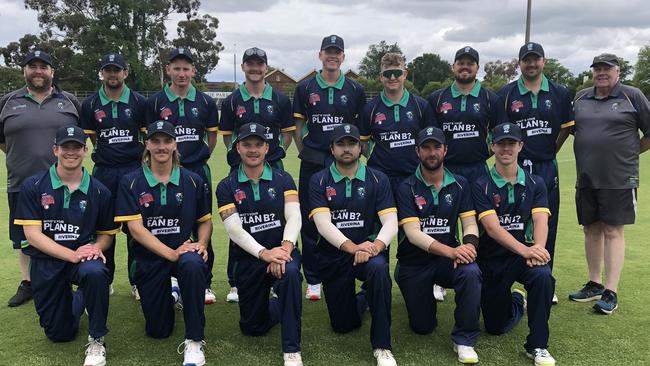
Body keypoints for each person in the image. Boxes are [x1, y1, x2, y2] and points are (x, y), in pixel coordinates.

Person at [14, 125, 118, 366]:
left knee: (95, 272)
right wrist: (72, 254)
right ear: (55, 150)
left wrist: (95, 248)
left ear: (85, 150)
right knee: (59, 335)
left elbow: (106, 235)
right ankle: (81, 297)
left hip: (82, 261)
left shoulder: (100, 191)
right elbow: (32, 235)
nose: (71, 152)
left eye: (76, 147)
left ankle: (97, 339)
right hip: (47, 261)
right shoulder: (34, 186)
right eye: (65, 147)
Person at [115, 120, 212, 366]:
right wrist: (171, 254)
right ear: (146, 144)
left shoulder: (192, 180)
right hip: (150, 258)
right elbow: (136, 230)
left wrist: (201, 243)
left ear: (174, 144)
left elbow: (204, 221)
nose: (161, 146)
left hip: (184, 254)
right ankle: (172, 294)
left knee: (192, 263)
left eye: (167, 141)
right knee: (158, 331)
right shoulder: (131, 181)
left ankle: (194, 340)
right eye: (155, 141)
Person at [309, 124, 398, 366]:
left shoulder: (378, 178)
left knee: (380, 272)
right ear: (332, 148)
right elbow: (322, 224)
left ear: (361, 147)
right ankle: (366, 299)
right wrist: (353, 248)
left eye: (351, 144)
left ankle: (382, 346)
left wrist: (375, 247)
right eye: (341, 144)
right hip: (335, 255)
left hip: (370, 253)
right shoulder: (319, 179)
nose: (346, 149)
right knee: (343, 326)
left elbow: (390, 222)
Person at [569, 53, 650, 314]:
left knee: (613, 230)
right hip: (587, 177)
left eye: (607, 68)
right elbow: (572, 130)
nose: (601, 73)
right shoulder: (581, 97)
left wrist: (630, 152)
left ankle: (611, 291)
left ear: (618, 71)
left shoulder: (632, 95)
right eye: (597, 69)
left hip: (619, 178)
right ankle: (595, 282)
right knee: (591, 228)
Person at [216, 122, 303, 366]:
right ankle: (277, 303)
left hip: (283, 254)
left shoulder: (283, 179)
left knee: (291, 274)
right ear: (238, 148)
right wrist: (265, 254)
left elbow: (294, 216)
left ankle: (292, 349)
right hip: (250, 259)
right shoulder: (226, 186)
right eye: (247, 145)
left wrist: (285, 249)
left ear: (267, 148)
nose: (252, 150)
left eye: (258, 145)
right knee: (252, 327)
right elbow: (234, 230)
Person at [0, 50, 81, 307]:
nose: (38, 71)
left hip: (62, 183)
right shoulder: (7, 101)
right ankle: (28, 283)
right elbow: (2, 141)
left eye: (43, 67)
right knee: (23, 236)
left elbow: (81, 137)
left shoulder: (69, 101)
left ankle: (63, 278)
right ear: (24, 71)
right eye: (32, 66)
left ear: (52, 72)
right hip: (21, 182)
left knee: (61, 232)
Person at [395, 126, 481, 364]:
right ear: (417, 151)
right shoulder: (406, 187)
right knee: (423, 327)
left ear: (445, 150)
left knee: (471, 271)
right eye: (426, 148)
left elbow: (470, 224)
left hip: (447, 260)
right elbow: (413, 234)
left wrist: (469, 247)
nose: (431, 153)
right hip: (414, 262)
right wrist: (453, 251)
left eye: (436, 147)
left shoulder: (461, 184)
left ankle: (464, 339)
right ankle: (418, 292)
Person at [472, 122, 556, 366]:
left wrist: (537, 250)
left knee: (543, 276)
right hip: (492, 258)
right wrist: (526, 250)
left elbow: (541, 220)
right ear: (492, 146)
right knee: (495, 328)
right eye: (501, 143)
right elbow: (492, 228)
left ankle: (538, 345)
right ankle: (517, 301)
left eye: (511, 143)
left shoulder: (535, 183)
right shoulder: (481, 184)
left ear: (521, 146)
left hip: (523, 257)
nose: (506, 148)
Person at [428, 46, 506, 302]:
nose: (465, 67)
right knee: (442, 221)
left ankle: (476, 273)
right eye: (460, 62)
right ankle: (440, 277)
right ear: (453, 67)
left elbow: (500, 134)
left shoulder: (489, 98)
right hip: (445, 170)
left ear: (477, 68)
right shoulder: (438, 98)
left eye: (470, 63)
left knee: (480, 223)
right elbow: (431, 137)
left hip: (476, 170)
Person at [497, 42, 573, 304]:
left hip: (545, 166)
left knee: (545, 224)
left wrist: (551, 150)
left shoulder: (559, 92)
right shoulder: (507, 93)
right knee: (510, 222)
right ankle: (505, 279)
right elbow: (499, 134)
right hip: (514, 169)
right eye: (526, 60)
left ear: (544, 61)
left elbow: (565, 127)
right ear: (519, 63)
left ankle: (543, 279)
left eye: (535, 59)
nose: (531, 64)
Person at [219, 47, 295, 303]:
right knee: (241, 222)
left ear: (265, 67)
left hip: (273, 167)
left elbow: (287, 131)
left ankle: (278, 275)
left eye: (259, 64)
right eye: (249, 64)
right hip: (241, 168)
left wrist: (279, 150)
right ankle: (236, 282)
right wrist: (236, 152)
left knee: (277, 220)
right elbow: (227, 134)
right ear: (243, 67)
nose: (254, 68)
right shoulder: (232, 100)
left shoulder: (281, 99)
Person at [293, 35, 366, 301]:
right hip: (314, 161)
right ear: (320, 55)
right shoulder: (305, 88)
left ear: (343, 57)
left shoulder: (355, 90)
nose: (333, 56)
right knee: (311, 220)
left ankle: (350, 270)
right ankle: (313, 279)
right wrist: (307, 153)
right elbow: (299, 130)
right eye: (328, 52)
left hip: (345, 160)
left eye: (337, 52)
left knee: (348, 216)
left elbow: (361, 129)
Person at [145, 47, 219, 304]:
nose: (181, 73)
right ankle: (164, 280)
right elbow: (148, 139)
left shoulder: (206, 102)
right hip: (163, 172)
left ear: (193, 71)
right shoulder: (154, 101)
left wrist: (198, 158)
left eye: (186, 68)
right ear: (168, 70)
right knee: (163, 221)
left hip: (196, 170)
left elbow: (211, 138)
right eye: (176, 68)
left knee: (202, 221)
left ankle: (204, 282)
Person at [80, 52, 147, 298]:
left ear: (125, 73)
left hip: (133, 172)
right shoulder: (89, 104)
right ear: (103, 73)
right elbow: (93, 138)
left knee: (136, 230)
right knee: (104, 228)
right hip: (104, 173)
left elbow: (145, 137)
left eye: (116, 70)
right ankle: (104, 279)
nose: (112, 74)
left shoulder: (139, 102)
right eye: (108, 70)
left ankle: (137, 281)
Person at [360, 52, 433, 197]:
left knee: (413, 220)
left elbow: (430, 142)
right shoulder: (370, 108)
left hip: (416, 177)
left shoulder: (421, 106)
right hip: (381, 179)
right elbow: (362, 142)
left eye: (397, 73)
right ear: (381, 77)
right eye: (387, 74)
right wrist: (379, 157)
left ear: (405, 74)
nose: (392, 77)